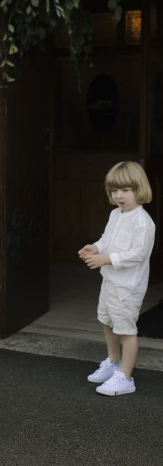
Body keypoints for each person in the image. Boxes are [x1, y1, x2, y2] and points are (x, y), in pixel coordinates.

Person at [78, 161, 155, 396]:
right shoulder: (115, 214)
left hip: (127, 287)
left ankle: (125, 377)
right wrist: (95, 247)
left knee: (126, 329)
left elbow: (138, 254)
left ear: (139, 189)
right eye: (114, 190)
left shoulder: (143, 221)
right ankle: (113, 362)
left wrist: (106, 259)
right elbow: (106, 238)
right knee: (107, 319)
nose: (119, 196)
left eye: (125, 190)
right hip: (110, 281)